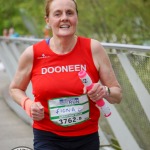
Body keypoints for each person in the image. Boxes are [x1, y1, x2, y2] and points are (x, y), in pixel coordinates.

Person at [9, 0, 122, 150]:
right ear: (48, 20)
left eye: (69, 13)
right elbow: (15, 89)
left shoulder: (94, 48)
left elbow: (117, 94)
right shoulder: (33, 53)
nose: (64, 18)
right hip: (47, 137)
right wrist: (28, 105)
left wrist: (104, 91)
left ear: (77, 17)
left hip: (87, 138)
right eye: (57, 14)